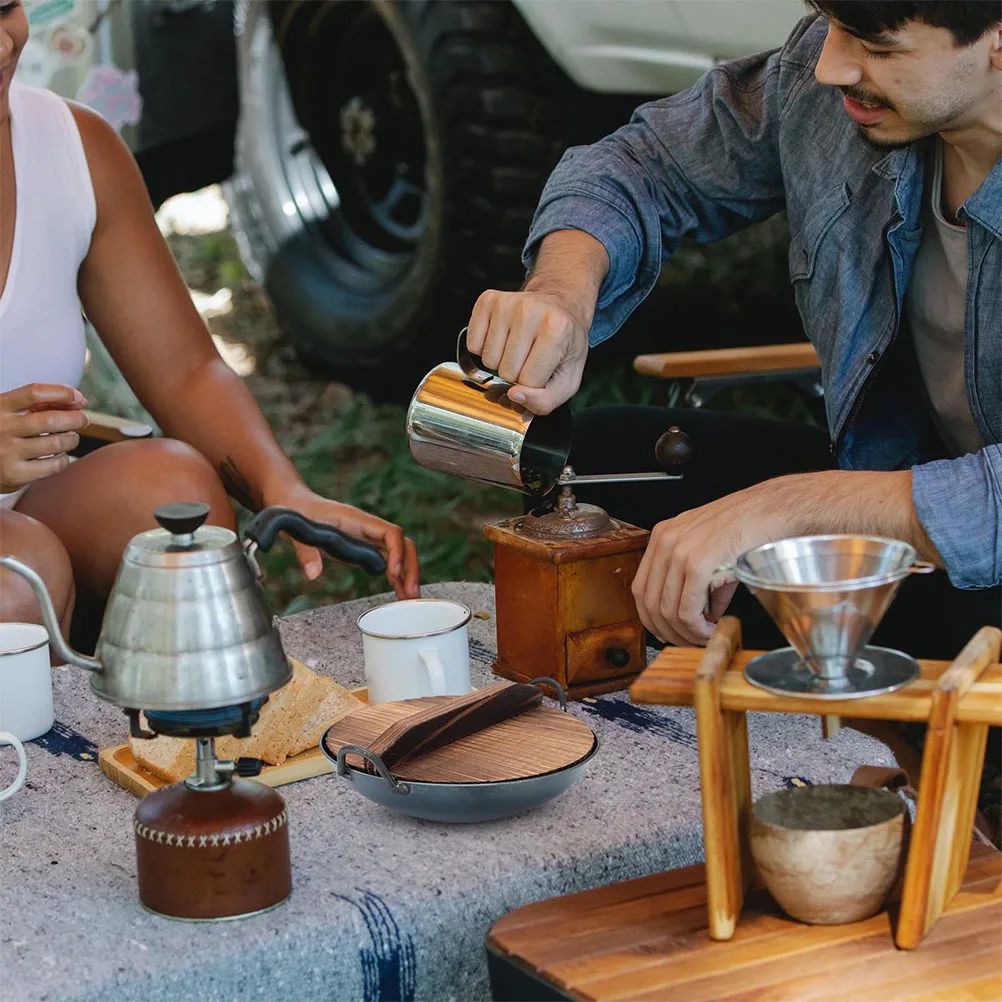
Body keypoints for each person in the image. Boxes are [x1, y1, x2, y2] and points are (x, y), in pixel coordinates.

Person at [465, 0, 1001, 661]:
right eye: (828, 23)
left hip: (982, 553)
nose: (830, 65)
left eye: (877, 47)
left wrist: (782, 510)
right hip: (890, 490)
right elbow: (647, 164)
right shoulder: (824, 80)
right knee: (599, 460)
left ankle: (893, 721)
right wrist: (561, 292)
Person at [0, 0, 420, 640]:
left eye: (5, 9)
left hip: (22, 509)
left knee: (171, 500)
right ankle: (52, 743)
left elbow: (186, 370)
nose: (3, 46)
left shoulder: (73, 149)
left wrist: (283, 487)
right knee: (18, 582)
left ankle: (172, 735)